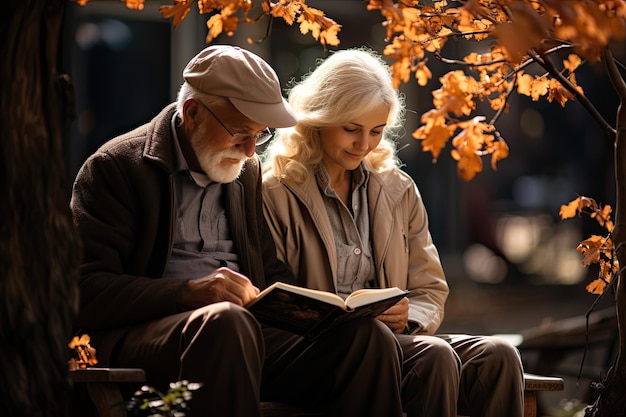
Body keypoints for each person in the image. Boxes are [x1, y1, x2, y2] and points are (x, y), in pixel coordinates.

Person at [70, 44, 405, 417]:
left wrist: (321, 313)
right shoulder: (117, 168)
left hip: (240, 334)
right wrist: (188, 293)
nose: (249, 151)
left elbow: (267, 270)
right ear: (193, 112)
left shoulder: (243, 174)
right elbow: (82, 290)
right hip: (147, 337)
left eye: (259, 136)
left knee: (366, 340)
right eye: (239, 133)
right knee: (226, 322)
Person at [261, 47, 525, 417]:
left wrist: (410, 317)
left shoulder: (397, 189)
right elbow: (272, 298)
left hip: (398, 340)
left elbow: (430, 288)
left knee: (498, 357)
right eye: (351, 129)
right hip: (319, 352)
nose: (364, 144)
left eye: (376, 131)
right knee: (432, 357)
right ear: (320, 119)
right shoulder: (274, 190)